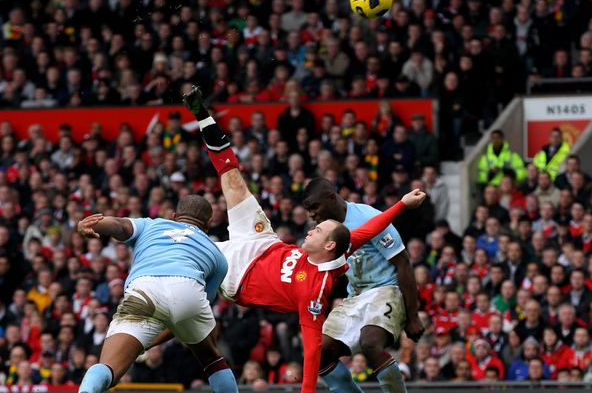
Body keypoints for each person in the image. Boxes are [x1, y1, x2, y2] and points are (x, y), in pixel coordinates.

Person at [182, 86, 426, 392]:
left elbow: (309, 350)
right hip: (262, 242)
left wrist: (307, 390)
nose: (312, 224)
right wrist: (403, 203)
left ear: (329, 245)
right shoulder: (334, 244)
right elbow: (370, 230)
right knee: (233, 181)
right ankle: (204, 117)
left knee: (178, 262)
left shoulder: (313, 291)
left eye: (318, 223)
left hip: (235, 273)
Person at [74, 195, 237, 393]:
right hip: (188, 290)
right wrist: (151, 341)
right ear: (209, 223)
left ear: (174, 216)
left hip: (144, 289)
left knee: (109, 367)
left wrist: (91, 225)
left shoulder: (151, 225)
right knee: (212, 359)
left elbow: (118, 224)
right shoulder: (219, 257)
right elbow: (184, 316)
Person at [301, 181, 424, 391]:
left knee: (370, 344)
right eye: (309, 209)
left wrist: (413, 316)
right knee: (317, 355)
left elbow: (403, 262)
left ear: (331, 198)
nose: (312, 214)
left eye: (315, 207)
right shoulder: (325, 232)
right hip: (355, 295)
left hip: (386, 290)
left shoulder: (367, 217)